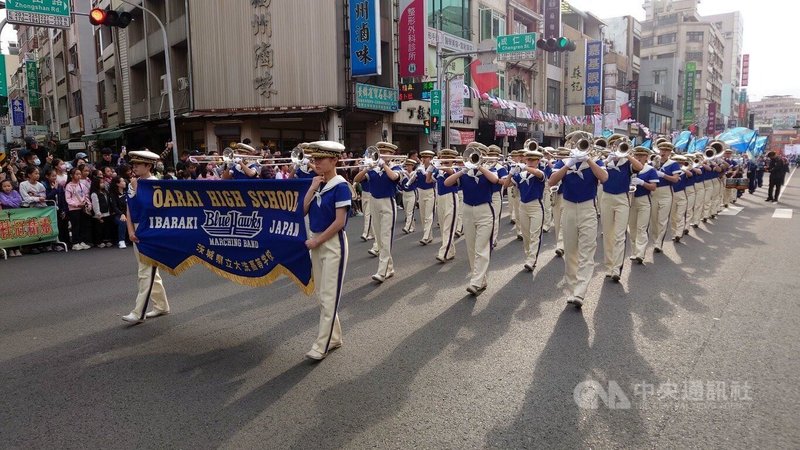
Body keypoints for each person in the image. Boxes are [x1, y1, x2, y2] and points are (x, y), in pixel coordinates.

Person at [302, 141, 351, 360]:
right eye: (314, 159)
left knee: (330, 295)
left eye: (320, 159)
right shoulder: (319, 184)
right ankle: (335, 338)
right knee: (322, 295)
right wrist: (312, 187)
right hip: (317, 242)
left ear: (334, 160)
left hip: (333, 245)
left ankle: (321, 344)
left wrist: (317, 241)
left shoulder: (341, 186)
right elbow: (302, 210)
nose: (316, 163)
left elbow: (340, 222)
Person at [548, 132, 608, 308]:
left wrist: (588, 159)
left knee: (587, 251)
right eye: (575, 144)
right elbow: (551, 181)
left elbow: (604, 178)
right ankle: (573, 288)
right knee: (570, 250)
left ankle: (580, 292)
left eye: (581, 144)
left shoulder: (595, 161)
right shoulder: (564, 161)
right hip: (568, 208)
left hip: (588, 208)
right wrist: (569, 164)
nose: (578, 146)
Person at [122, 150, 171, 324]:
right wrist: (130, 230)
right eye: (133, 164)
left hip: (149, 229)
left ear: (148, 166)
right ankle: (161, 306)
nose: (134, 167)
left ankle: (138, 312)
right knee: (149, 270)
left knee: (145, 271)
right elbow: (128, 207)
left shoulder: (154, 184)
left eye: (138, 164)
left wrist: (137, 188)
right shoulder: (134, 182)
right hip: (136, 228)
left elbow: (152, 209)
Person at [445, 142, 500, 295]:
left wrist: (480, 166)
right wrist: (462, 171)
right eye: (472, 155)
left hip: (485, 210)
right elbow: (447, 182)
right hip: (468, 210)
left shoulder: (490, 171)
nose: (474, 158)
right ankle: (480, 280)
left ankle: (475, 281)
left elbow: (495, 181)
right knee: (471, 247)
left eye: (477, 155)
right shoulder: (465, 173)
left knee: (481, 247)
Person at [353, 142, 401, 283]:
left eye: (386, 152)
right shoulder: (372, 170)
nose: (382, 154)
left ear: (391, 155)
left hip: (388, 203)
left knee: (386, 237)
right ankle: (390, 268)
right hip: (374, 202)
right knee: (379, 238)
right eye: (380, 151)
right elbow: (356, 180)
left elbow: (393, 177)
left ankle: (382, 271)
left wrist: (384, 165)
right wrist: (367, 168)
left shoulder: (396, 167)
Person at [600, 138, 643, 281]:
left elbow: (640, 167)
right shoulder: (606, 161)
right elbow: (598, 175)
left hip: (622, 199)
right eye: (615, 145)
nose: (618, 147)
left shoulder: (627, 163)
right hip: (606, 198)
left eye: (620, 145)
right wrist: (607, 160)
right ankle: (609, 266)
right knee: (607, 233)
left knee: (620, 235)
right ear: (611, 147)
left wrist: (627, 155)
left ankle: (617, 268)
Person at [504, 149, 549, 273]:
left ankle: (531, 260)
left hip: (536, 206)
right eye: (528, 159)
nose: (530, 161)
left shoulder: (540, 172)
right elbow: (506, 185)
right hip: (523, 206)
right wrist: (511, 173)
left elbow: (539, 174)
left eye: (533, 160)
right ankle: (529, 255)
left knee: (535, 234)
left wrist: (525, 167)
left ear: (538, 161)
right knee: (526, 235)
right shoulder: (520, 175)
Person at [628, 148, 659, 264]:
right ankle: (634, 251)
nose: (638, 157)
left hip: (644, 200)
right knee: (632, 227)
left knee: (642, 227)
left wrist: (642, 183)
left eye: (641, 155)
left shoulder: (650, 170)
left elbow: (654, 187)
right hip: (631, 200)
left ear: (646, 157)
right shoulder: (629, 168)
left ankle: (640, 253)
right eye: (636, 155)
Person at [649, 141, 682, 253]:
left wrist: (663, 175)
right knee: (653, 219)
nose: (663, 152)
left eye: (666, 150)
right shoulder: (653, 162)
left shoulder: (673, 164)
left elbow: (676, 179)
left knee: (662, 219)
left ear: (669, 152)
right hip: (653, 192)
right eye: (662, 150)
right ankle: (655, 240)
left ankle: (658, 243)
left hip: (666, 192)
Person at [428, 148, 459, 262]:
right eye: (443, 158)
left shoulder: (455, 169)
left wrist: (442, 165)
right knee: (443, 226)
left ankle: (443, 253)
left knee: (448, 227)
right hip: (440, 198)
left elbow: (452, 173)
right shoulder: (438, 170)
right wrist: (431, 169)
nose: (444, 161)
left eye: (447, 159)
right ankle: (450, 251)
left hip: (451, 197)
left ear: (452, 160)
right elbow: (428, 180)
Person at [64, 168, 92, 251]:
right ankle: (75, 242)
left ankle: (82, 241)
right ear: (71, 175)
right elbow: (68, 199)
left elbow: (86, 195)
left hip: (82, 207)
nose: (79, 176)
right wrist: (76, 204)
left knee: (83, 225)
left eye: (79, 174)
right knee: (75, 225)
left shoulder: (82, 185)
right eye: (76, 174)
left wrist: (89, 204)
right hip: (74, 209)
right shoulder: (69, 186)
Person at [415, 150, 437, 244]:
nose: (424, 159)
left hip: (429, 192)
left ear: (431, 158)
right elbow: (415, 180)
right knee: (423, 216)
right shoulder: (419, 168)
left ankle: (425, 236)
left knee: (429, 215)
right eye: (423, 157)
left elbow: (432, 180)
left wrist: (425, 172)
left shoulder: (434, 168)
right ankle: (429, 235)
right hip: (421, 192)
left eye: (426, 157)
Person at [90, 176, 114, 248]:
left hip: (107, 212)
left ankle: (106, 240)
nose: (103, 184)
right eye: (101, 183)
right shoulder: (94, 194)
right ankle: (99, 241)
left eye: (103, 182)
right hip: (100, 214)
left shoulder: (105, 192)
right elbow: (95, 204)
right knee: (99, 229)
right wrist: (98, 214)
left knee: (106, 228)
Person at [108, 176, 129, 248]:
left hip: (127, 213)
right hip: (116, 214)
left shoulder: (127, 193)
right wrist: (121, 214)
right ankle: (121, 241)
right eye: (122, 181)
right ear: (118, 184)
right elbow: (114, 207)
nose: (124, 182)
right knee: (122, 221)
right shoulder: (113, 194)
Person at [399, 159, 418, 234]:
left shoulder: (415, 173)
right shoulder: (403, 173)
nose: (407, 167)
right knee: (407, 211)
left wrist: (404, 172)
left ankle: (407, 227)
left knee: (410, 211)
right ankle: (412, 227)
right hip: (405, 193)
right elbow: (400, 182)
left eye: (409, 165)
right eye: (406, 165)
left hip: (412, 193)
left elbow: (411, 179)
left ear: (413, 166)